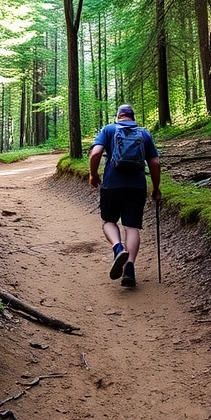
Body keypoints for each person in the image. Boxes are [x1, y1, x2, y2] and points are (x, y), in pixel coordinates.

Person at [88, 104, 161, 288]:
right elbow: (154, 161)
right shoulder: (144, 134)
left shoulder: (109, 129)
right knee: (131, 227)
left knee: (109, 221)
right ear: (132, 117)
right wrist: (156, 187)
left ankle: (118, 248)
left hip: (112, 184)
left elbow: (96, 152)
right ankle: (129, 268)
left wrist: (93, 174)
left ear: (119, 116)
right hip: (136, 186)